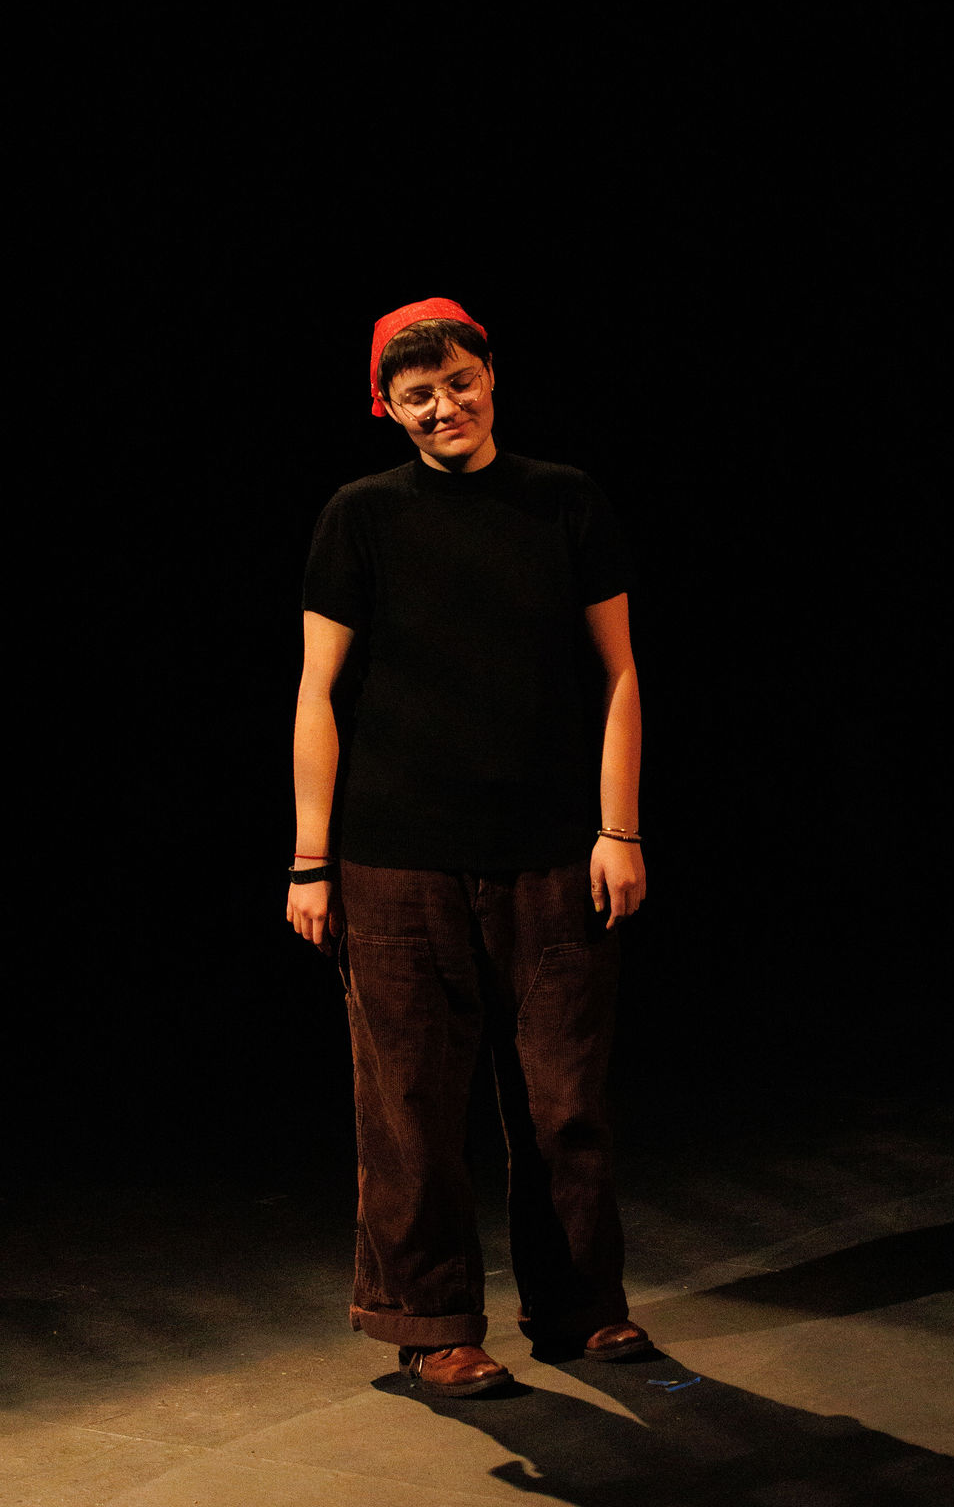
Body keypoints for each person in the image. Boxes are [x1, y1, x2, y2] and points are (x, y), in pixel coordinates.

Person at [286, 296, 651, 1396]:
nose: (444, 406)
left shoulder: (563, 500)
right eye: (418, 395)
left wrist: (618, 830)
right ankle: (431, 1321)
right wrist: (309, 858)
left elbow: (619, 675)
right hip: (397, 860)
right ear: (386, 408)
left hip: (551, 852)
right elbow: (318, 692)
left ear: (490, 376)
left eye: (458, 381)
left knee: (565, 1102)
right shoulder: (361, 515)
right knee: (409, 1108)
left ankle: (580, 1306)